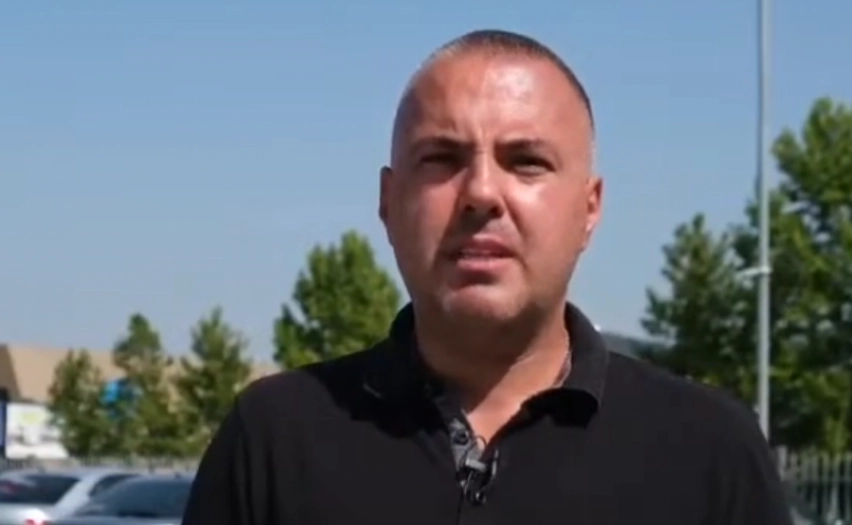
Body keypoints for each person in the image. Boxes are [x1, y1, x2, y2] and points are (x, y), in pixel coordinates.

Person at [181, 29, 793, 525]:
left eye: (526, 162)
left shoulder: (707, 451)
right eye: (442, 159)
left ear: (589, 209)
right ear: (388, 203)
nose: (480, 193)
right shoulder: (274, 440)